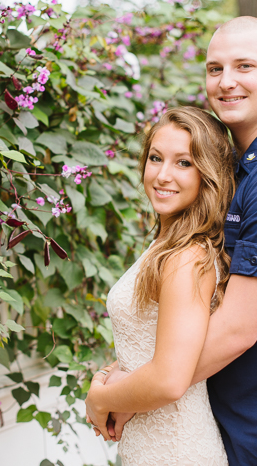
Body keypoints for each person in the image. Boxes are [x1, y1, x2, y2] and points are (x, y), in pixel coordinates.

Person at [86, 16, 257, 466]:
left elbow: (234, 331)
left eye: (244, 66)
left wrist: (129, 395)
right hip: (232, 429)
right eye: (214, 69)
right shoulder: (240, 173)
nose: (226, 82)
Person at [85, 106, 236, 465]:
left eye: (184, 163)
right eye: (155, 158)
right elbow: (156, 344)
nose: (163, 175)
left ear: (208, 173)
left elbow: (169, 379)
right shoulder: (168, 245)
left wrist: (101, 399)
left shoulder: (187, 258)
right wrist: (112, 374)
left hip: (175, 449)